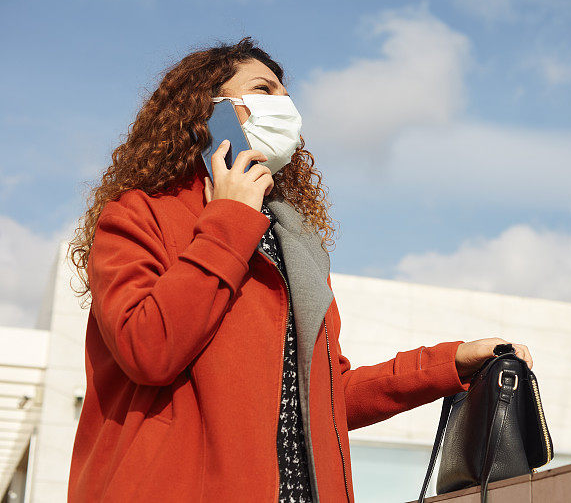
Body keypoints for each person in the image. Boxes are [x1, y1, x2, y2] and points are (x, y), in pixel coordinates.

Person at [66, 36, 534, 502]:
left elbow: (326, 398)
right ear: (206, 110)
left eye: (287, 98)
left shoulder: (295, 244)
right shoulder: (137, 215)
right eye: (264, 90)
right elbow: (148, 348)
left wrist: (449, 363)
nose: (284, 106)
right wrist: (229, 220)